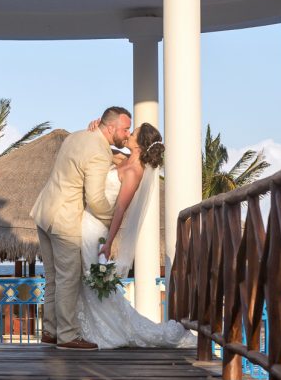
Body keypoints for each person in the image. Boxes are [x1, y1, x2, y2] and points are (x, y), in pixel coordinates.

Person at [77, 122, 195, 350]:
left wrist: (109, 242)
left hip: (98, 230)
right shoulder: (124, 160)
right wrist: (94, 132)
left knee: (90, 281)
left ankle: (103, 330)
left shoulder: (134, 172)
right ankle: (87, 328)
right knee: (87, 281)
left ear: (140, 145)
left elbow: (120, 209)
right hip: (89, 223)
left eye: (134, 133)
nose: (129, 134)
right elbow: (100, 150)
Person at [30, 106, 130, 350]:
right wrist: (110, 221)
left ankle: (50, 332)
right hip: (64, 220)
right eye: (126, 129)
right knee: (68, 279)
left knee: (53, 279)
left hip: (44, 212)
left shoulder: (77, 136)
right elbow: (95, 199)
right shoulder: (99, 152)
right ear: (110, 127)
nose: (128, 134)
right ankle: (67, 336)